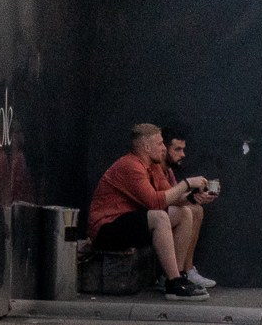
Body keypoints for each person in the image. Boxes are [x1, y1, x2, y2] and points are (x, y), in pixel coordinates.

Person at [87, 123, 212, 300]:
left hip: (129, 222)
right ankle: (174, 282)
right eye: (160, 143)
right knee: (159, 217)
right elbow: (154, 201)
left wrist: (193, 197)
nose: (163, 148)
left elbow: (171, 197)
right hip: (106, 228)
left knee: (184, 212)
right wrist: (187, 183)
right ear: (147, 147)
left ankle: (177, 277)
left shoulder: (152, 167)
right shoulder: (130, 166)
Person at [159, 126, 218, 290]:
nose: (182, 154)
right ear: (163, 148)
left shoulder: (167, 170)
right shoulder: (153, 167)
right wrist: (188, 187)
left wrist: (195, 197)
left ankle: (187, 270)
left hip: (157, 213)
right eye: (177, 149)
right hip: (144, 217)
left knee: (195, 209)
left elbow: (170, 197)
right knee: (186, 211)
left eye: (183, 149)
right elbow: (161, 199)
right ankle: (174, 275)